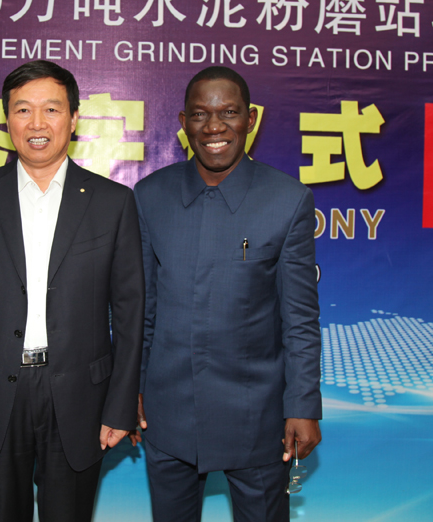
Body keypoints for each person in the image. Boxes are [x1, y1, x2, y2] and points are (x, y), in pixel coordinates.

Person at [0, 60, 144, 522]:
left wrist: (121, 405)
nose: (37, 123)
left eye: (51, 109)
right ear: (6, 119)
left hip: (80, 396)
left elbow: (131, 315)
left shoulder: (113, 202)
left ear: (74, 118)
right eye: (23, 109)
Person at [132, 66, 322, 522]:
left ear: (250, 119)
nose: (214, 127)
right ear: (183, 123)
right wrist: (131, 388)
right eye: (200, 114)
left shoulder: (287, 199)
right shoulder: (150, 195)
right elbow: (142, 309)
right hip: (168, 412)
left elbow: (299, 319)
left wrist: (302, 405)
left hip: (256, 416)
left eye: (229, 113)